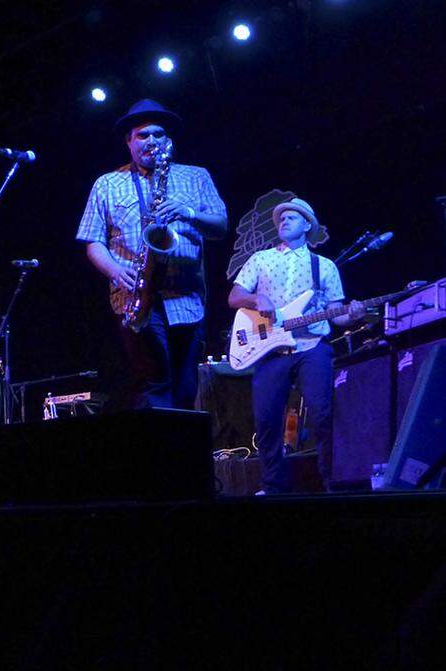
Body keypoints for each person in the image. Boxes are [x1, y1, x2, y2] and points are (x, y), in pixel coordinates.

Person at [76, 98, 228, 409]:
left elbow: (221, 225)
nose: (151, 141)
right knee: (153, 382)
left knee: (186, 387)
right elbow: (92, 241)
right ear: (129, 142)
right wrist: (116, 271)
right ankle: (157, 453)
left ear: (169, 141)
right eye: (142, 135)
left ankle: (182, 454)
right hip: (136, 296)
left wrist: (187, 212)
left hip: (185, 297)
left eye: (158, 134)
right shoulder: (107, 183)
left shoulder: (196, 176)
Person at [229, 198, 364, 493]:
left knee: (323, 415)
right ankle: (273, 486)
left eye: (291, 218)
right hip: (271, 348)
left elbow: (337, 314)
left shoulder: (323, 266)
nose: (284, 222)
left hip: (312, 344)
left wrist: (352, 315)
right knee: (266, 420)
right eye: (281, 219)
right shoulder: (261, 259)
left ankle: (332, 484)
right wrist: (256, 299)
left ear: (307, 225)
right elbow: (235, 296)